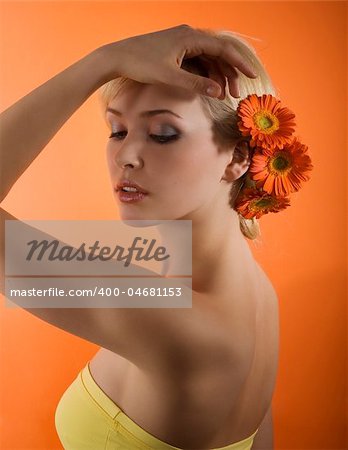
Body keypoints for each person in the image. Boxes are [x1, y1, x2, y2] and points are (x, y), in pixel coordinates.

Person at [0, 24, 280, 449]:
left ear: (238, 157)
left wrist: (104, 60)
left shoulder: (177, 322)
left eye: (163, 134)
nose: (126, 156)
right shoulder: (259, 297)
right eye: (117, 130)